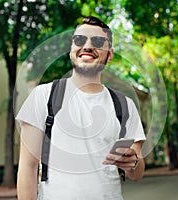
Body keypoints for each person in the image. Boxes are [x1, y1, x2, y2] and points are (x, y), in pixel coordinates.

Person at [16, 16, 146, 200]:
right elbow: (27, 168)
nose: (87, 45)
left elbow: (137, 173)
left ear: (109, 55)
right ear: (71, 50)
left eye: (98, 41)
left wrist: (132, 162)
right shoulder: (43, 96)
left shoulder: (125, 105)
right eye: (79, 39)